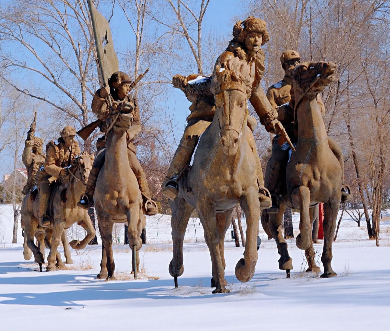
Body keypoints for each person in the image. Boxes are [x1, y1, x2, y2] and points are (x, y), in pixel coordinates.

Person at [163, 16, 287, 207]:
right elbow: (214, 84)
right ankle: (173, 177)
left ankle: (258, 186)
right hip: (215, 110)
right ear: (243, 37)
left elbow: (254, 90)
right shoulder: (227, 58)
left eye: (260, 36)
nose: (256, 40)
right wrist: (189, 86)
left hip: (238, 114)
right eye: (252, 35)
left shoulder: (255, 63)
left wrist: (269, 117)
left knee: (250, 139)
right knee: (191, 134)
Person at [265, 50, 352, 204]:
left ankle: (339, 186)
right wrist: (290, 109)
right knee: (278, 155)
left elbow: (321, 108)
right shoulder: (275, 90)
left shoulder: (309, 85)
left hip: (310, 131)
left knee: (337, 150)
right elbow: (270, 115)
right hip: (288, 133)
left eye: (297, 61)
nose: (294, 65)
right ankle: (272, 194)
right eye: (291, 63)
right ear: (284, 67)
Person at [77, 71, 158, 216]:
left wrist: (129, 134)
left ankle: (147, 200)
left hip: (126, 145)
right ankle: (87, 197)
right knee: (95, 166)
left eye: (128, 86)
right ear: (118, 86)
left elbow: (137, 124)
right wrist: (101, 94)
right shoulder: (108, 101)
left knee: (138, 169)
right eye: (126, 85)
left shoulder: (132, 102)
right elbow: (96, 109)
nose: (128, 88)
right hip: (107, 144)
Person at [37, 126, 81, 227]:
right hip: (51, 175)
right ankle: (44, 216)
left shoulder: (75, 146)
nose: (72, 139)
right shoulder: (54, 147)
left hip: (68, 175)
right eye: (70, 137)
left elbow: (77, 160)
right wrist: (60, 171)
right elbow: (48, 166)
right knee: (45, 189)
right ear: (64, 138)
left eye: (73, 137)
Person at [21, 119, 45, 196]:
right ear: (35, 147)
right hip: (35, 185)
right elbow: (28, 148)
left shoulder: (45, 157)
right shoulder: (30, 158)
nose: (41, 148)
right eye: (40, 146)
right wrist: (31, 135)